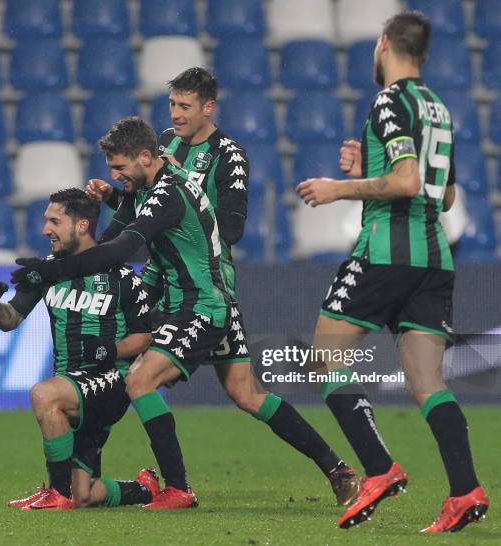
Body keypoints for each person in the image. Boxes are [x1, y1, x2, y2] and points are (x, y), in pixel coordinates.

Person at [88, 67, 359, 506]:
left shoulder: (228, 154)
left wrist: (182, 185)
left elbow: (229, 228)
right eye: (172, 104)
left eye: (184, 106)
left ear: (208, 107)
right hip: (170, 284)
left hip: (203, 287)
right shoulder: (161, 146)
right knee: (244, 392)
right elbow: (148, 209)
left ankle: (133, 484)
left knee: (137, 374)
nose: (174, 114)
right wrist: (119, 197)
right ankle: (338, 469)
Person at [296, 11, 489, 532]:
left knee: (324, 357)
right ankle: (464, 489)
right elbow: (442, 193)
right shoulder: (439, 109)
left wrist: (339, 188)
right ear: (423, 54)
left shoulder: (388, 101)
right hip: (434, 257)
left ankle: (379, 468)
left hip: (384, 252)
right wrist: (372, 169)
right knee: (427, 381)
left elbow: (405, 183)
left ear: (383, 45)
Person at [11, 117, 235, 509]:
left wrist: (49, 269)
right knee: (86, 491)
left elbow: (117, 252)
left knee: (143, 379)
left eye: (119, 168)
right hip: (179, 304)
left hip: (202, 303)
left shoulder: (167, 192)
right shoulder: (150, 185)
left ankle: (179, 487)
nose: (113, 176)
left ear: (145, 157)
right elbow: (109, 240)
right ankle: (147, 487)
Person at [0, 188, 158, 510]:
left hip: (109, 382)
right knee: (85, 494)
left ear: (82, 226)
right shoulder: (47, 271)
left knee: (43, 395)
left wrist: (110, 350)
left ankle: (56, 493)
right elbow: (10, 319)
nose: (45, 229)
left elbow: (145, 336)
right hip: (70, 383)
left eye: (54, 221)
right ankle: (145, 490)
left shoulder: (120, 275)